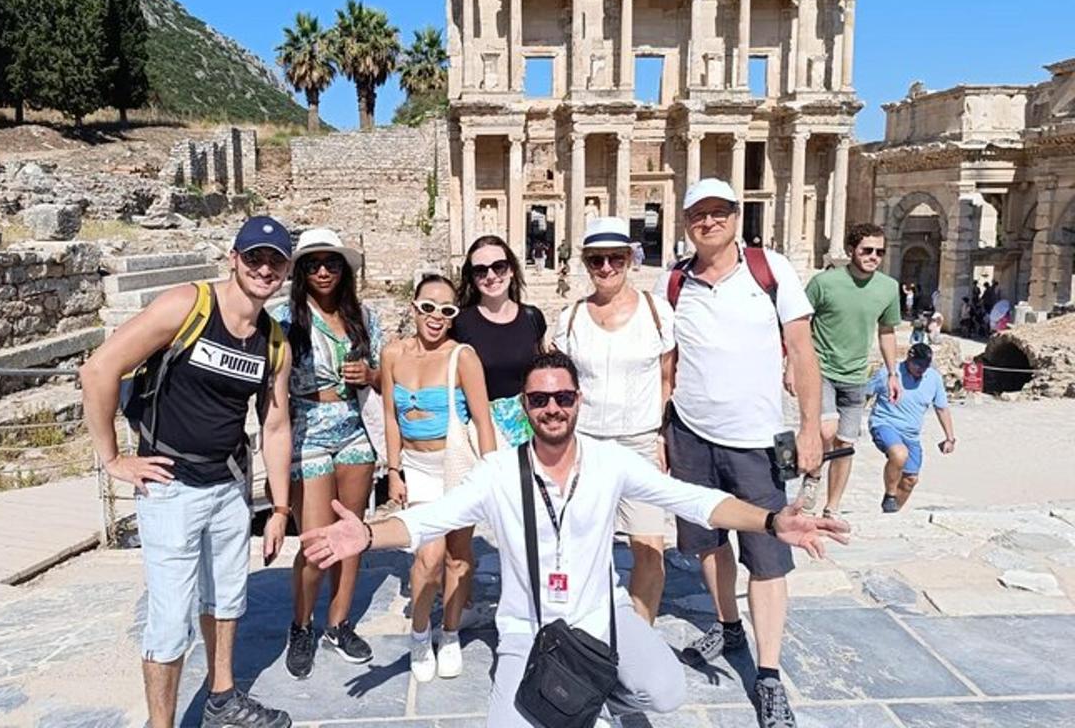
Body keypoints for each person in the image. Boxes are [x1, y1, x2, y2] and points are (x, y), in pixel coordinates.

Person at [300, 351, 850, 728]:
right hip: (527, 630)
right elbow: (428, 520)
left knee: (665, 692)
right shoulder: (497, 473)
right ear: (525, 408)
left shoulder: (608, 462)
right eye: (539, 401)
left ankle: (597, 687)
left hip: (602, 619)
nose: (552, 409)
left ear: (577, 400)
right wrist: (368, 533)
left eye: (562, 397)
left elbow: (694, 500)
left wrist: (772, 521)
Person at [79, 216, 294, 728]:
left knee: (226, 598)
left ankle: (222, 697)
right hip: (170, 486)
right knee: (171, 620)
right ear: (234, 258)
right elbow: (99, 369)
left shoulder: (273, 340)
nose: (264, 268)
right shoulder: (188, 305)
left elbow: (277, 424)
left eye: (275, 260)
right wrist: (111, 459)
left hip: (227, 484)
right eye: (254, 257)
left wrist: (281, 507)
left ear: (285, 270)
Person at [652, 178, 822, 728]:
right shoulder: (675, 279)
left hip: (753, 439)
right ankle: (728, 628)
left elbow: (801, 348)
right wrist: (660, 429)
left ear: (736, 215)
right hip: (691, 433)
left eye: (718, 212)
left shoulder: (770, 270)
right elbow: (668, 361)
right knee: (706, 543)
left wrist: (810, 428)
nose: (708, 222)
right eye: (697, 214)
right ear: (684, 223)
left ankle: (768, 675)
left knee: (769, 556)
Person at [269, 228, 384, 679]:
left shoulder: (363, 318)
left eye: (331, 263)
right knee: (316, 543)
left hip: (354, 429)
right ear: (300, 271)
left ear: (344, 269)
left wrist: (369, 373)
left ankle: (338, 623)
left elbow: (381, 377)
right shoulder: (283, 320)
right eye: (313, 264)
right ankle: (302, 625)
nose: (322, 271)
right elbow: (269, 393)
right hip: (308, 429)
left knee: (350, 534)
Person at [555, 216, 676, 625]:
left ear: (630, 259)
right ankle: (587, 629)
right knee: (584, 545)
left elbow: (666, 378)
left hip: (640, 442)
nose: (606, 268)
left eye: (615, 259)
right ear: (586, 264)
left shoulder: (658, 312)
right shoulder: (569, 318)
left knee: (648, 546)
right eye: (596, 260)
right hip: (586, 444)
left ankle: (640, 634)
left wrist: (662, 435)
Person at [381, 274, 496, 682]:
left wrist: (490, 474)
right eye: (427, 307)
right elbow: (391, 419)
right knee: (427, 557)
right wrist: (393, 471)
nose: (435, 317)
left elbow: (482, 421)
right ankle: (419, 633)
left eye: (446, 310)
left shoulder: (462, 356)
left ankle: (449, 634)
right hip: (417, 466)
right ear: (414, 307)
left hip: (456, 466)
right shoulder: (393, 354)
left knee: (458, 556)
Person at [796, 223, 901, 518]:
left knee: (846, 443)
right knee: (826, 430)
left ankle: (833, 506)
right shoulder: (824, 283)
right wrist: (792, 364)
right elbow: (799, 323)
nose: (873, 256)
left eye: (879, 252)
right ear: (851, 250)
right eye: (867, 250)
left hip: (857, 375)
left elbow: (887, 330)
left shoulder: (888, 287)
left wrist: (893, 373)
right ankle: (813, 476)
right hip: (822, 369)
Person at [454, 236, 548, 449]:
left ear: (512, 270)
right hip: (481, 432)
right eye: (481, 270)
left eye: (499, 267)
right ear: (472, 277)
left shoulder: (533, 318)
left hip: (530, 431)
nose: (491, 276)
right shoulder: (460, 324)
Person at [869, 343, 956, 512]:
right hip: (885, 423)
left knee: (911, 480)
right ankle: (890, 495)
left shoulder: (933, 378)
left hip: (911, 434)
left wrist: (949, 438)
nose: (921, 369)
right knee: (899, 454)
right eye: (917, 364)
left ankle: (891, 513)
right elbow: (864, 394)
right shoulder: (889, 373)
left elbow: (941, 408)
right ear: (908, 358)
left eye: (925, 366)